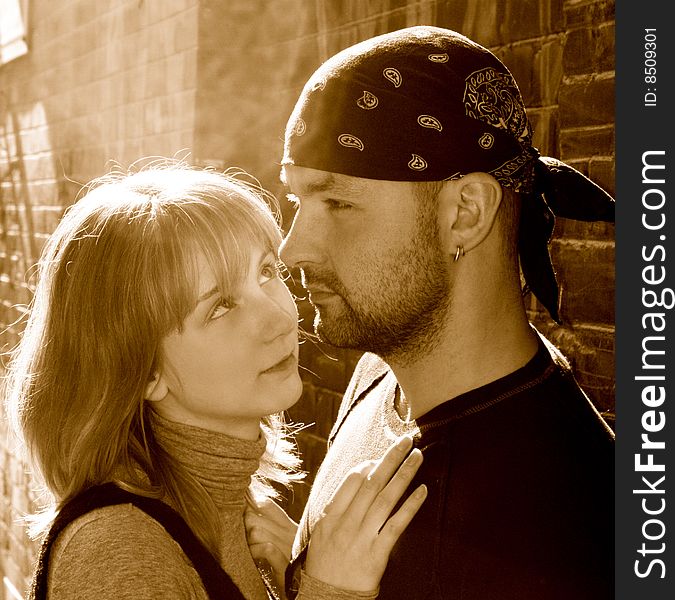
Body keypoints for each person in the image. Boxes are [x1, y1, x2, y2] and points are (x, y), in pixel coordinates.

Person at [252, 25, 615, 599]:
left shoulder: (545, 542)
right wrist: (300, 565)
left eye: (339, 202)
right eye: (299, 200)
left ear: (465, 213)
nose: (294, 248)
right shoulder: (388, 367)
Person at [2, 161, 428, 600]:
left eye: (266, 271)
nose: (280, 318)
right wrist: (330, 591)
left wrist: (296, 579)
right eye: (221, 306)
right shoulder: (119, 551)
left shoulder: (241, 517)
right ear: (145, 371)